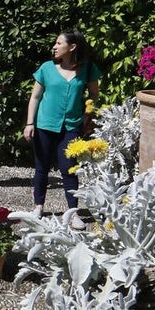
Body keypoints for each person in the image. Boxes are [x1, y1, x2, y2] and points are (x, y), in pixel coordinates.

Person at [24, 29, 101, 229]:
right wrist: (29, 123)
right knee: (42, 167)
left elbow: (94, 95)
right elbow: (35, 97)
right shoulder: (46, 68)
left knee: (69, 168)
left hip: (72, 126)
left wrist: (88, 115)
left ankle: (73, 213)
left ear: (72, 47)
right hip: (44, 125)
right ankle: (38, 207)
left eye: (59, 43)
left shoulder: (88, 69)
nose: (55, 47)